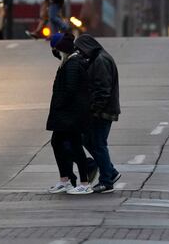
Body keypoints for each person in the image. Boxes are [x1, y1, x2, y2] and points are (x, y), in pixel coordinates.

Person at [45, 32, 94, 195]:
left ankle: (84, 182)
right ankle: (65, 180)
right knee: (58, 143)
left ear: (62, 49)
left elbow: (70, 90)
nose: (54, 53)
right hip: (66, 115)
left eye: (56, 50)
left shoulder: (72, 64)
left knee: (74, 146)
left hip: (71, 115)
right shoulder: (68, 62)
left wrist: (59, 105)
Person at [75, 33, 121, 193]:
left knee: (98, 144)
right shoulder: (98, 58)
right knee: (88, 140)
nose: (80, 53)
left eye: (81, 50)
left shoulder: (101, 60)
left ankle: (106, 180)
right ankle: (110, 171)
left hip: (103, 112)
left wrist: (94, 110)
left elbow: (103, 90)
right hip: (101, 110)